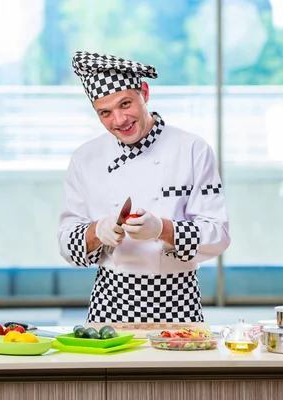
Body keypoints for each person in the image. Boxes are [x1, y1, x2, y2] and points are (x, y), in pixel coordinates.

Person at [57, 51, 230, 323]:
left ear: (144, 93)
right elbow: (66, 244)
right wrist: (96, 231)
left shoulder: (192, 149)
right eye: (105, 112)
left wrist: (162, 229)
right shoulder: (85, 158)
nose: (119, 120)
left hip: (178, 302)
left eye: (125, 104)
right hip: (109, 304)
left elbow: (218, 235)